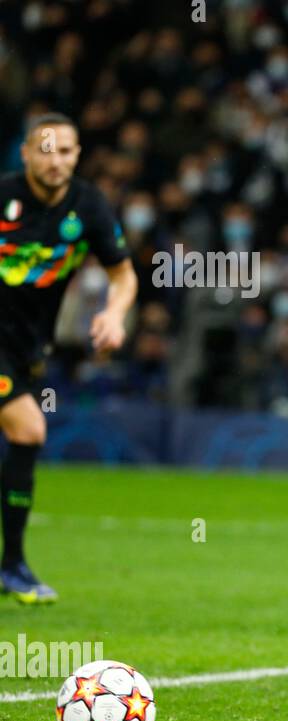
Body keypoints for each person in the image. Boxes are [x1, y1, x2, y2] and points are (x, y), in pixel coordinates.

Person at [0, 112, 137, 603]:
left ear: (77, 156)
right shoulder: (5, 197)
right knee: (29, 428)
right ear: (26, 153)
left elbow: (123, 276)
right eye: (46, 149)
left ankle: (11, 565)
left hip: (29, 348)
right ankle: (12, 565)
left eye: (65, 152)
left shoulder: (90, 206)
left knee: (24, 434)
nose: (55, 160)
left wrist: (115, 315)